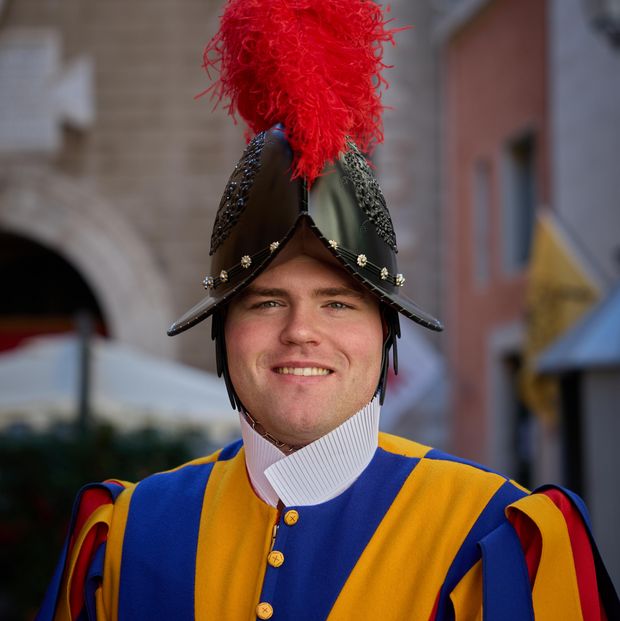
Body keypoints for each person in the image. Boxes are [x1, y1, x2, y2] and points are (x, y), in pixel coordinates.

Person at [37, 1, 618, 620]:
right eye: (266, 302)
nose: (301, 332)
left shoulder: (494, 540)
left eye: (338, 303)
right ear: (224, 330)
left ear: (385, 329)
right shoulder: (125, 538)